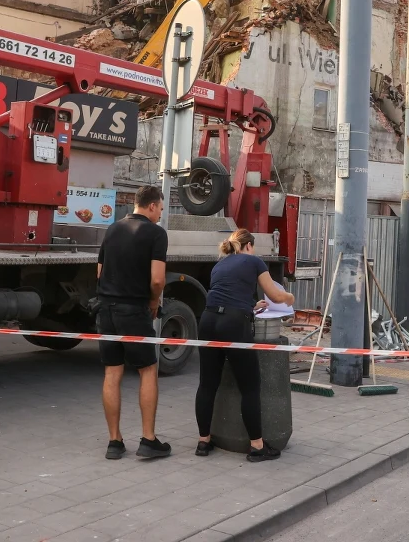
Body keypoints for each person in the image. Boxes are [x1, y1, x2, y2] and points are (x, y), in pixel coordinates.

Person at [194, 229, 295, 462]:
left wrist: (251, 305)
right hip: (234, 325)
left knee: (207, 384)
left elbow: (226, 294)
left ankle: (203, 441)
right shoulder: (254, 261)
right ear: (248, 245)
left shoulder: (220, 264)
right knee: (250, 386)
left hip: (208, 320)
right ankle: (257, 447)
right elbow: (276, 297)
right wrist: (289, 298)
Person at [96, 185, 170, 460]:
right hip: (134, 309)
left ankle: (114, 442)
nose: (160, 214)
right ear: (151, 206)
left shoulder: (113, 229)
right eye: (160, 209)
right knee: (147, 370)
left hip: (106, 309)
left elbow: (100, 271)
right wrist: (153, 302)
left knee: (112, 373)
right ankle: (148, 440)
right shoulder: (155, 233)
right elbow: (158, 279)